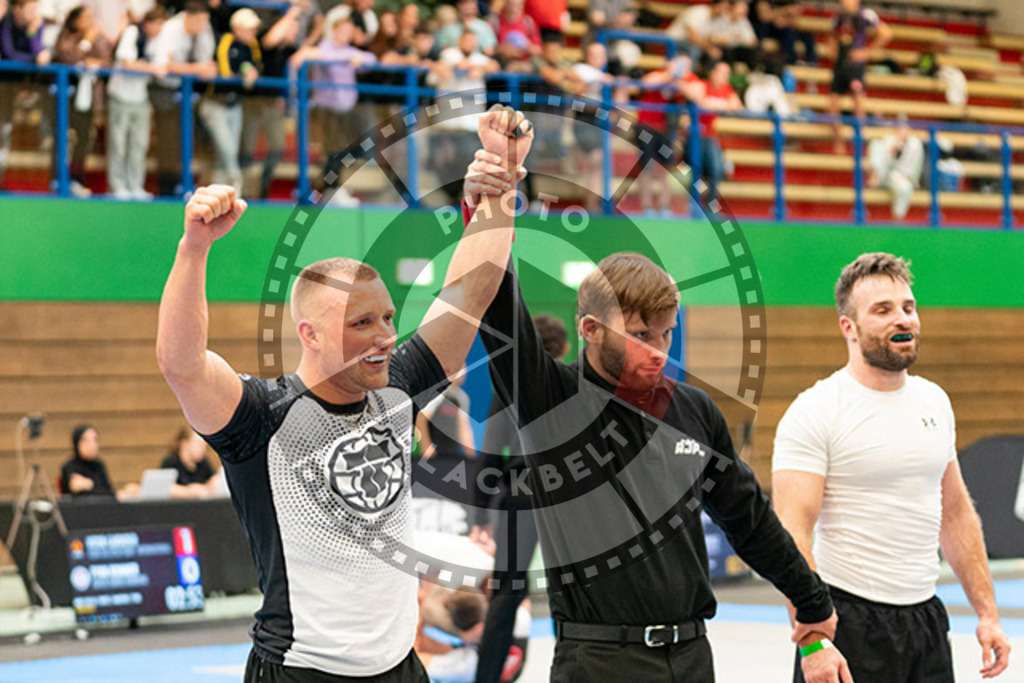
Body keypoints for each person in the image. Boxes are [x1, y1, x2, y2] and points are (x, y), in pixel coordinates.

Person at [155, 105, 533, 682]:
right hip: (303, 670)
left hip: (399, 668)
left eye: (387, 318)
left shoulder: (398, 390)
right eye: (362, 325)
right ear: (309, 334)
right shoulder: (262, 417)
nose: (385, 337)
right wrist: (194, 248)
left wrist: (502, 184)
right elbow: (181, 365)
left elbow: (473, 290)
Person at [462, 215, 851, 682]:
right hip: (598, 662)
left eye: (666, 332)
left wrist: (812, 602)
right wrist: (491, 206)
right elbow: (500, 309)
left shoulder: (693, 410)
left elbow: (748, 520)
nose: (659, 351)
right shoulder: (551, 402)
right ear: (589, 328)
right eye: (641, 336)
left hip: (690, 658)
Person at [772, 253, 1012, 682]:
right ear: (849, 327)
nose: (903, 319)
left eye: (908, 307)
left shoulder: (934, 401)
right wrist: (811, 638)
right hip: (845, 622)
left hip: (925, 622)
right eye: (882, 311)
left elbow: (955, 512)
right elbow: (791, 534)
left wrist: (988, 613)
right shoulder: (816, 410)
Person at [473, 314, 569, 683]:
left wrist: (481, 513)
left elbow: (491, 454)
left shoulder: (507, 389)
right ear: (562, 350)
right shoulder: (573, 385)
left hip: (523, 496)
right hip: (570, 498)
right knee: (575, 588)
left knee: (505, 594)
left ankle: (487, 677)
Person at [291, 3, 377, 207]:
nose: (346, 35)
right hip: (327, 111)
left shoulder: (350, 51)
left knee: (347, 151)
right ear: (335, 30)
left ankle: (328, 189)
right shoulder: (326, 48)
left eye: (349, 31)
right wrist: (349, 57)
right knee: (334, 151)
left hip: (346, 111)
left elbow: (371, 59)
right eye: (343, 31)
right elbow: (314, 56)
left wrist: (358, 58)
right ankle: (329, 190)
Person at [148, 0, 217, 196]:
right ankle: (167, 188)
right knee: (169, 140)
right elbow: (164, 67)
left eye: (205, 21)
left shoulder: (204, 28)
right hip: (162, 91)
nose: (203, 26)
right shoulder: (171, 29)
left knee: (188, 138)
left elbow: (208, 66)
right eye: (200, 21)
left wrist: (199, 69)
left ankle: (184, 184)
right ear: (189, 17)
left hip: (186, 91)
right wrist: (196, 69)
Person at [52, 4, 113, 198]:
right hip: (64, 98)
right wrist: (86, 42)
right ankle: (58, 179)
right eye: (85, 18)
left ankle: (77, 179)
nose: (89, 22)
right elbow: (68, 57)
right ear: (76, 19)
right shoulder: (66, 35)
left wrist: (94, 62)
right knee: (63, 139)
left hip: (87, 101)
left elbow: (107, 61)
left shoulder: (97, 37)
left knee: (84, 139)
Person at [106, 7, 167, 200]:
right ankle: (118, 186)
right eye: (157, 25)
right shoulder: (133, 33)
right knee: (119, 143)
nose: (159, 30)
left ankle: (135, 185)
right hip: (120, 96)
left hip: (140, 99)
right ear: (148, 24)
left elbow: (162, 67)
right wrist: (151, 68)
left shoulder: (158, 41)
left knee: (139, 144)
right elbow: (126, 63)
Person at [199, 7, 262, 192]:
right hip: (215, 104)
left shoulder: (251, 46)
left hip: (234, 105)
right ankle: (237, 183)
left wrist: (251, 74)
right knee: (226, 148)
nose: (253, 32)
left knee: (228, 151)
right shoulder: (225, 41)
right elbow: (225, 73)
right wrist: (244, 76)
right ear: (237, 28)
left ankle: (220, 191)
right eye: (249, 29)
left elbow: (255, 68)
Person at [827, 0, 891, 153]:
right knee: (832, 103)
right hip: (841, 65)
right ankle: (839, 141)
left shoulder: (866, 14)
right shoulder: (839, 17)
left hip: (855, 66)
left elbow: (886, 33)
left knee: (857, 98)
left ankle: (858, 139)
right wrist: (834, 52)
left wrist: (866, 52)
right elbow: (831, 37)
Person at [0, 0, 51, 190]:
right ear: (17, 9)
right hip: (5, 84)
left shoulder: (36, 25)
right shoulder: (5, 23)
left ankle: (46, 136)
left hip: (31, 84)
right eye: (31, 8)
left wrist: (32, 34)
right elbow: (9, 53)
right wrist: (34, 60)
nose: (35, 12)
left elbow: (39, 53)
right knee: (3, 131)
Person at [867, 118, 924, 220]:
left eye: (905, 128)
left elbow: (916, 167)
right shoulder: (889, 140)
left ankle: (898, 219)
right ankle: (874, 176)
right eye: (900, 128)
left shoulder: (915, 144)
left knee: (905, 188)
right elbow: (885, 164)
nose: (903, 131)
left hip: (905, 177)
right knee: (875, 144)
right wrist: (893, 151)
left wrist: (913, 180)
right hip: (887, 175)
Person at [162, 427, 218, 499]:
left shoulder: (203, 463)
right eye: (199, 444)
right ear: (184, 444)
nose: (203, 449)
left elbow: (214, 480)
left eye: (204, 445)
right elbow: (166, 488)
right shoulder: (171, 462)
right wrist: (191, 491)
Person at [60, 424, 114, 497]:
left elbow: (108, 492)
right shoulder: (70, 467)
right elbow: (73, 489)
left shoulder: (99, 466)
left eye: (95, 440)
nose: (92, 445)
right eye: (87, 441)